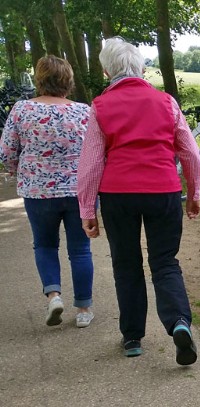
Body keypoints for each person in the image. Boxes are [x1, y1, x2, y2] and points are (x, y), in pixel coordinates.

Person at [77, 37, 200, 364]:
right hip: (163, 191)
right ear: (142, 69)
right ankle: (178, 324)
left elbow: (90, 163)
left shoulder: (101, 106)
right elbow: (189, 152)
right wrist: (195, 192)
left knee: (126, 263)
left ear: (106, 70)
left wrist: (87, 209)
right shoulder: (166, 102)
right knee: (164, 261)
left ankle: (132, 337)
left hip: (118, 195)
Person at [0, 55, 94, 328]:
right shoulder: (84, 112)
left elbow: (6, 152)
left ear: (40, 80)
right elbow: (95, 152)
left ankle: (54, 295)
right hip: (78, 191)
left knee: (44, 244)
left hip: (37, 191)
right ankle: (84, 309)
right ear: (68, 81)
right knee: (80, 250)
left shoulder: (21, 110)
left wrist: (18, 168)